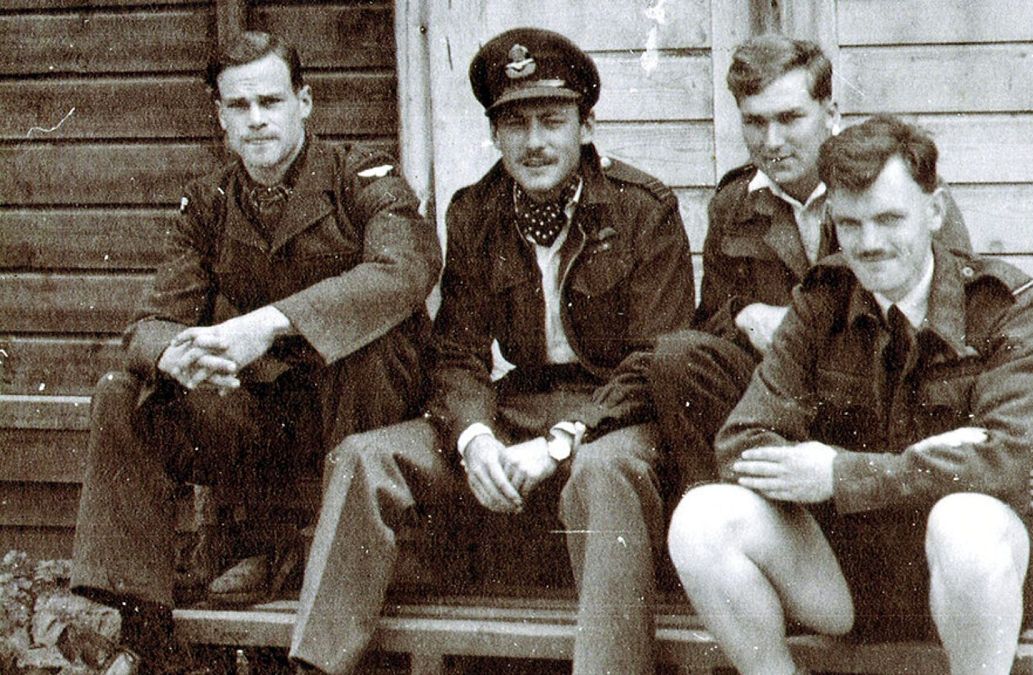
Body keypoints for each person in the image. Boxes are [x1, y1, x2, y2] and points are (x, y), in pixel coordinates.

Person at [287, 28, 694, 674]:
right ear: (495, 134)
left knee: (601, 472)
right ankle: (314, 665)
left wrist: (563, 440)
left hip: (616, 417)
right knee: (368, 458)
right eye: (515, 124)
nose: (534, 142)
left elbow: (656, 362)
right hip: (517, 407)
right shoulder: (476, 212)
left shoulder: (645, 209)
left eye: (552, 120)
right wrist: (476, 437)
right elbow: (457, 353)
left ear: (585, 127)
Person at [68, 30, 440, 671]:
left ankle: (317, 557)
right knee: (124, 391)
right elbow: (150, 322)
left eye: (271, 101)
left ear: (306, 101)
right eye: (238, 107)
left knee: (377, 343)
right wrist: (176, 355)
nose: (257, 120)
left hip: (360, 419)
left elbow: (406, 271)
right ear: (220, 116)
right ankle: (138, 626)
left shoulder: (363, 179)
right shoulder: (208, 203)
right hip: (264, 426)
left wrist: (266, 325)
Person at [667, 115, 1033, 675]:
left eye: (890, 218)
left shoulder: (1002, 305)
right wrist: (932, 460)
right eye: (850, 224)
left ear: (935, 212)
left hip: (972, 577)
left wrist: (838, 474)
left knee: (965, 520)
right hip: (843, 573)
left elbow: (1003, 458)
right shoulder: (822, 301)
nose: (869, 244)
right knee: (701, 518)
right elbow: (742, 440)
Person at [647, 34, 971, 488]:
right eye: (754, 122)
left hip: (876, 389)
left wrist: (808, 322)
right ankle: (728, 499)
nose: (772, 140)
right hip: (786, 392)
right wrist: (744, 315)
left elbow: (950, 307)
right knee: (677, 359)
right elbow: (711, 321)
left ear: (831, 114)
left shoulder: (893, 191)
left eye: (790, 118)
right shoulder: (734, 203)